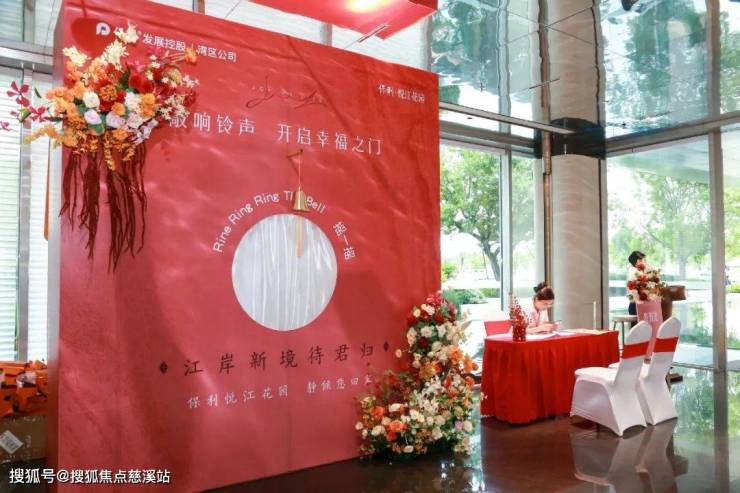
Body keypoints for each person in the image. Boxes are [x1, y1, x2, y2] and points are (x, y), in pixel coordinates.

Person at [627, 250, 646, 317]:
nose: (645, 263)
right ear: (638, 261)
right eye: (644, 260)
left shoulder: (636, 272)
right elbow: (634, 291)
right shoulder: (634, 273)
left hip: (635, 304)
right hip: (636, 305)